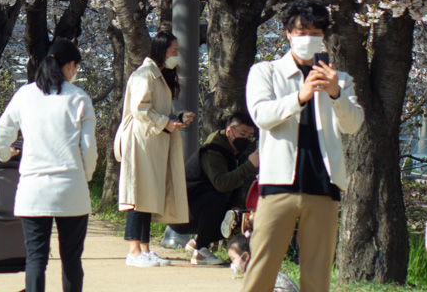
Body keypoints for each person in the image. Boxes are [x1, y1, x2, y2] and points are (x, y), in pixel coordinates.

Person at [242, 0, 363, 292]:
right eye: (300, 31)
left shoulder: (341, 80)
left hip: (323, 185)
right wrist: (300, 96)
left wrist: (336, 94)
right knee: (262, 266)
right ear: (287, 33)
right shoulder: (266, 72)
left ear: (323, 35)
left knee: (317, 273)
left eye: (314, 31)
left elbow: (353, 125)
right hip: (278, 184)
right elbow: (261, 115)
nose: (307, 38)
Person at [0, 38, 97, 292]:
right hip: (70, 189)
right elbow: (89, 148)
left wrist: (6, 155)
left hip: (33, 189)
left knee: (36, 258)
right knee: (71, 259)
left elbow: (1, 134)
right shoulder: (79, 98)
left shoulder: (25, 94)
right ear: (70, 66)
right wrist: (85, 175)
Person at [116, 30, 187, 267]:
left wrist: (175, 118)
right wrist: (164, 122)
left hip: (152, 141)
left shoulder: (158, 75)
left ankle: (144, 248)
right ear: (161, 50)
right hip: (141, 140)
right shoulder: (145, 74)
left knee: (148, 194)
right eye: (173, 51)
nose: (176, 55)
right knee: (138, 194)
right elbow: (140, 108)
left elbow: (154, 109)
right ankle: (133, 250)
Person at [186, 111, 259, 262]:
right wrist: (250, 165)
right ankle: (200, 251)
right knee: (217, 197)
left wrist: (236, 207)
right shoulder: (213, 150)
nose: (246, 139)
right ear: (229, 131)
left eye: (250, 136)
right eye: (243, 133)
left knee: (234, 216)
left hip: (194, 208)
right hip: (183, 211)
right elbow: (222, 184)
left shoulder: (236, 154)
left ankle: (196, 242)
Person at [226, 235, 298, 292]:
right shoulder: (264, 270)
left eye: (233, 259)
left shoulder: (257, 275)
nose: (232, 263)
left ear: (245, 256)